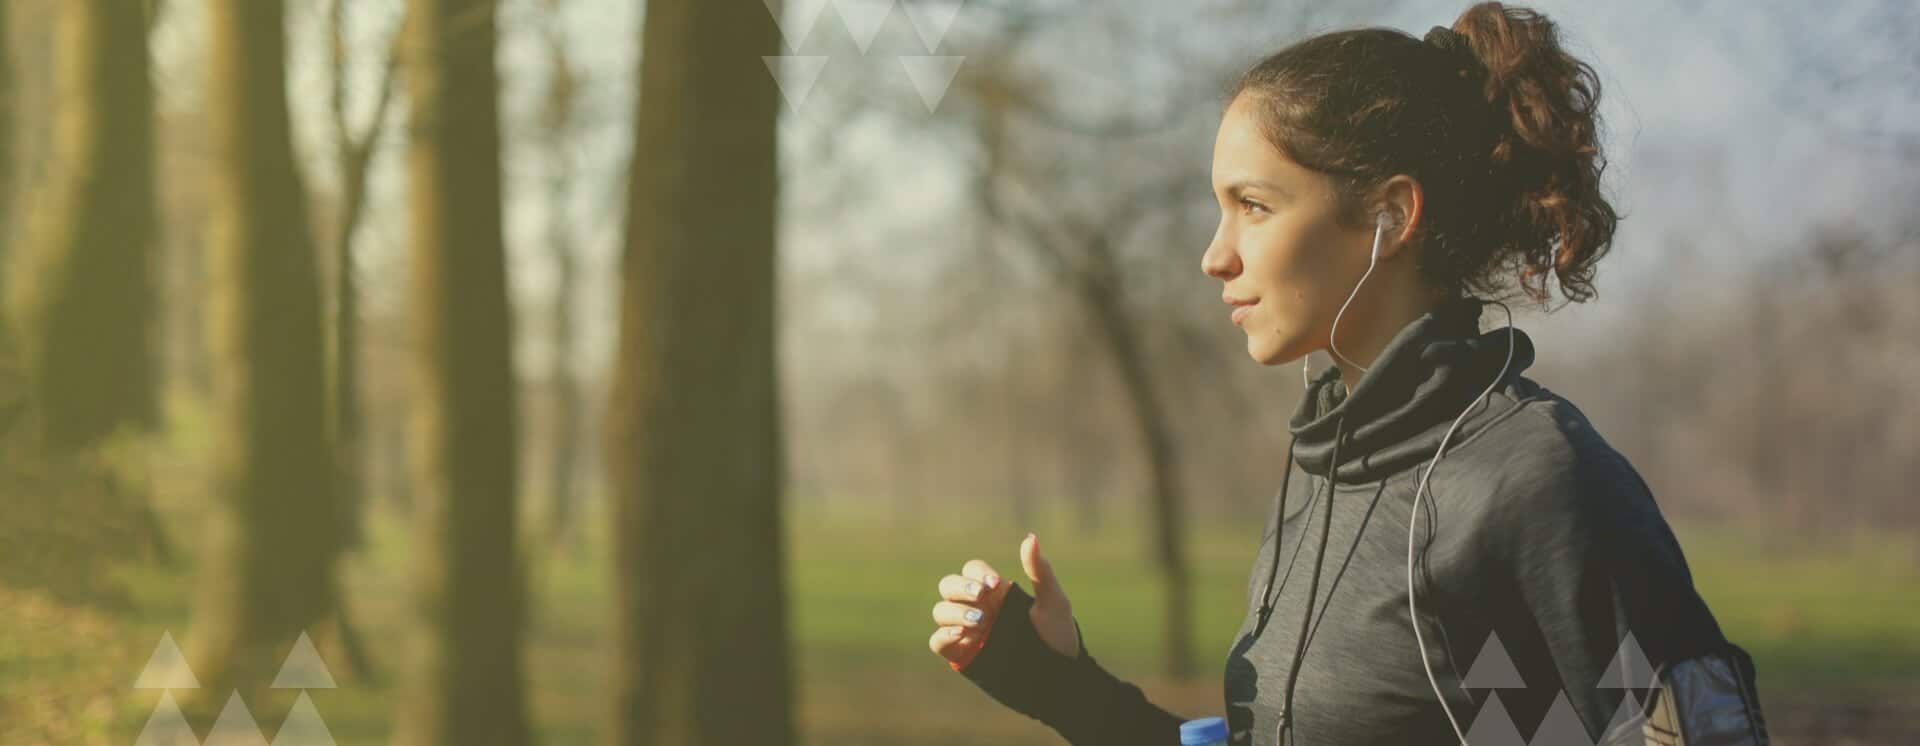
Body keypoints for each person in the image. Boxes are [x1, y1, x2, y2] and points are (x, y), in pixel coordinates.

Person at [925, 3, 1772, 744]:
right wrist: (1061, 687)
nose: (1215, 255)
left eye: (1254, 206)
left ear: (1389, 215)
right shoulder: (1329, 464)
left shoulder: (1529, 482)